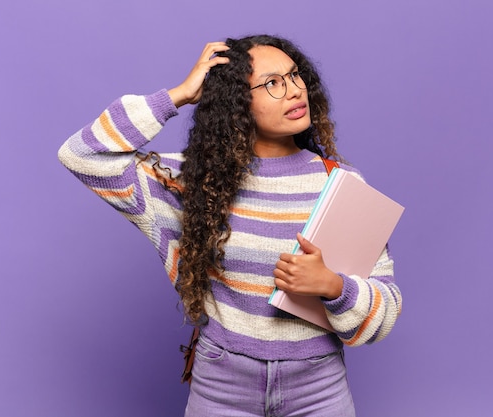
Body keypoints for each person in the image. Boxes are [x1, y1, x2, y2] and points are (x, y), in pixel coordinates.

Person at [58, 34, 401, 417]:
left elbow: (383, 315)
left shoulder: (341, 184)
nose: (293, 91)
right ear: (236, 102)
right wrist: (179, 95)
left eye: (295, 75)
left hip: (318, 388)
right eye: (272, 83)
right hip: (221, 385)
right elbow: (82, 155)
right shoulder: (192, 182)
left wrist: (333, 287)